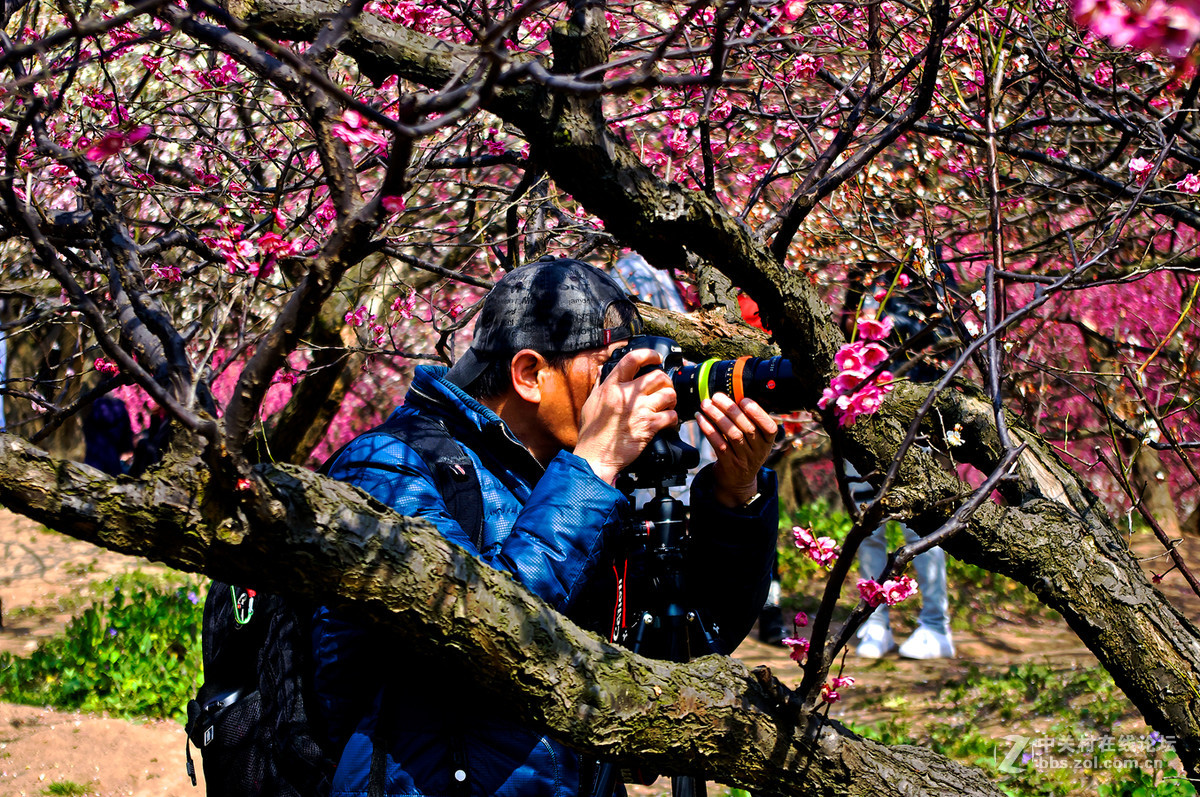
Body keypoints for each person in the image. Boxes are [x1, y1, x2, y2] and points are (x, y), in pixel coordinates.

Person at [313, 257, 780, 797]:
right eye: (607, 369)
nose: (626, 392)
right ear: (530, 375)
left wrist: (734, 500)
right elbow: (481, 636)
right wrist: (593, 467)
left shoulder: (573, 482)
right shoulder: (387, 465)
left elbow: (694, 644)